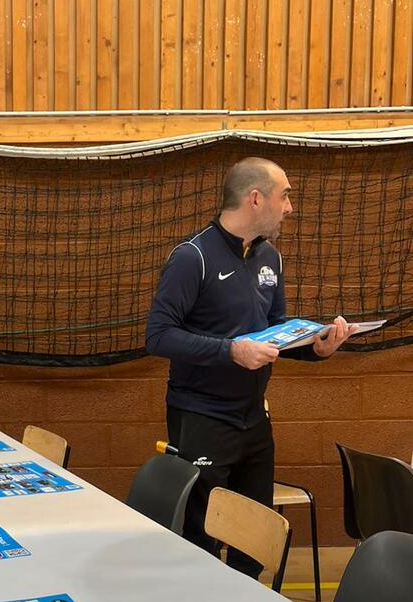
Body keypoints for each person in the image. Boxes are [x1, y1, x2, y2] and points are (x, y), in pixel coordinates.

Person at [144, 157, 353, 576]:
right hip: (202, 417)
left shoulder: (270, 257)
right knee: (200, 539)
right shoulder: (193, 257)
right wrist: (230, 352)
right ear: (255, 199)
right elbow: (159, 336)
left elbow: (275, 332)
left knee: (253, 543)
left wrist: (317, 349)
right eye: (284, 196)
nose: (290, 207)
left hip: (254, 419)